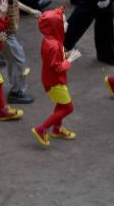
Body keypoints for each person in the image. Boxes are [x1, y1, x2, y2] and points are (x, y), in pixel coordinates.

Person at [31, 8, 82, 147]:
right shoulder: (54, 45)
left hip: (53, 80)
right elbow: (58, 67)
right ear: (55, 26)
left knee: (61, 104)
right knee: (68, 108)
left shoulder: (51, 40)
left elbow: (53, 61)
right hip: (55, 82)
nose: (67, 25)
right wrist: (70, 60)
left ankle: (57, 129)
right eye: (64, 22)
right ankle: (41, 129)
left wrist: (65, 55)